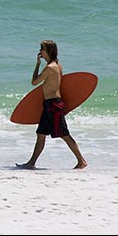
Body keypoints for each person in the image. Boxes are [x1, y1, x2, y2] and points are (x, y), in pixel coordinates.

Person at [16, 40, 87, 170]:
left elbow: (34, 82)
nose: (40, 51)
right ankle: (31, 163)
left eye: (42, 49)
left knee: (64, 134)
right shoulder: (58, 65)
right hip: (50, 104)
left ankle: (81, 161)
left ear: (48, 51)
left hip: (53, 105)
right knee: (41, 134)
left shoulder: (50, 68)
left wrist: (37, 65)